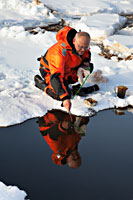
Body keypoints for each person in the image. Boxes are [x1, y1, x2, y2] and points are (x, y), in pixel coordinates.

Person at [34, 26, 99, 112]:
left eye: (85, 47)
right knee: (60, 95)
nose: (83, 50)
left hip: (66, 69)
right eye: (80, 47)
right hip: (50, 71)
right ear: (74, 41)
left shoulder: (82, 46)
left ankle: (69, 87)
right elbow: (56, 77)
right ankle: (41, 84)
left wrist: (85, 64)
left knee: (89, 68)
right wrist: (65, 98)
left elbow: (86, 54)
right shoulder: (59, 52)